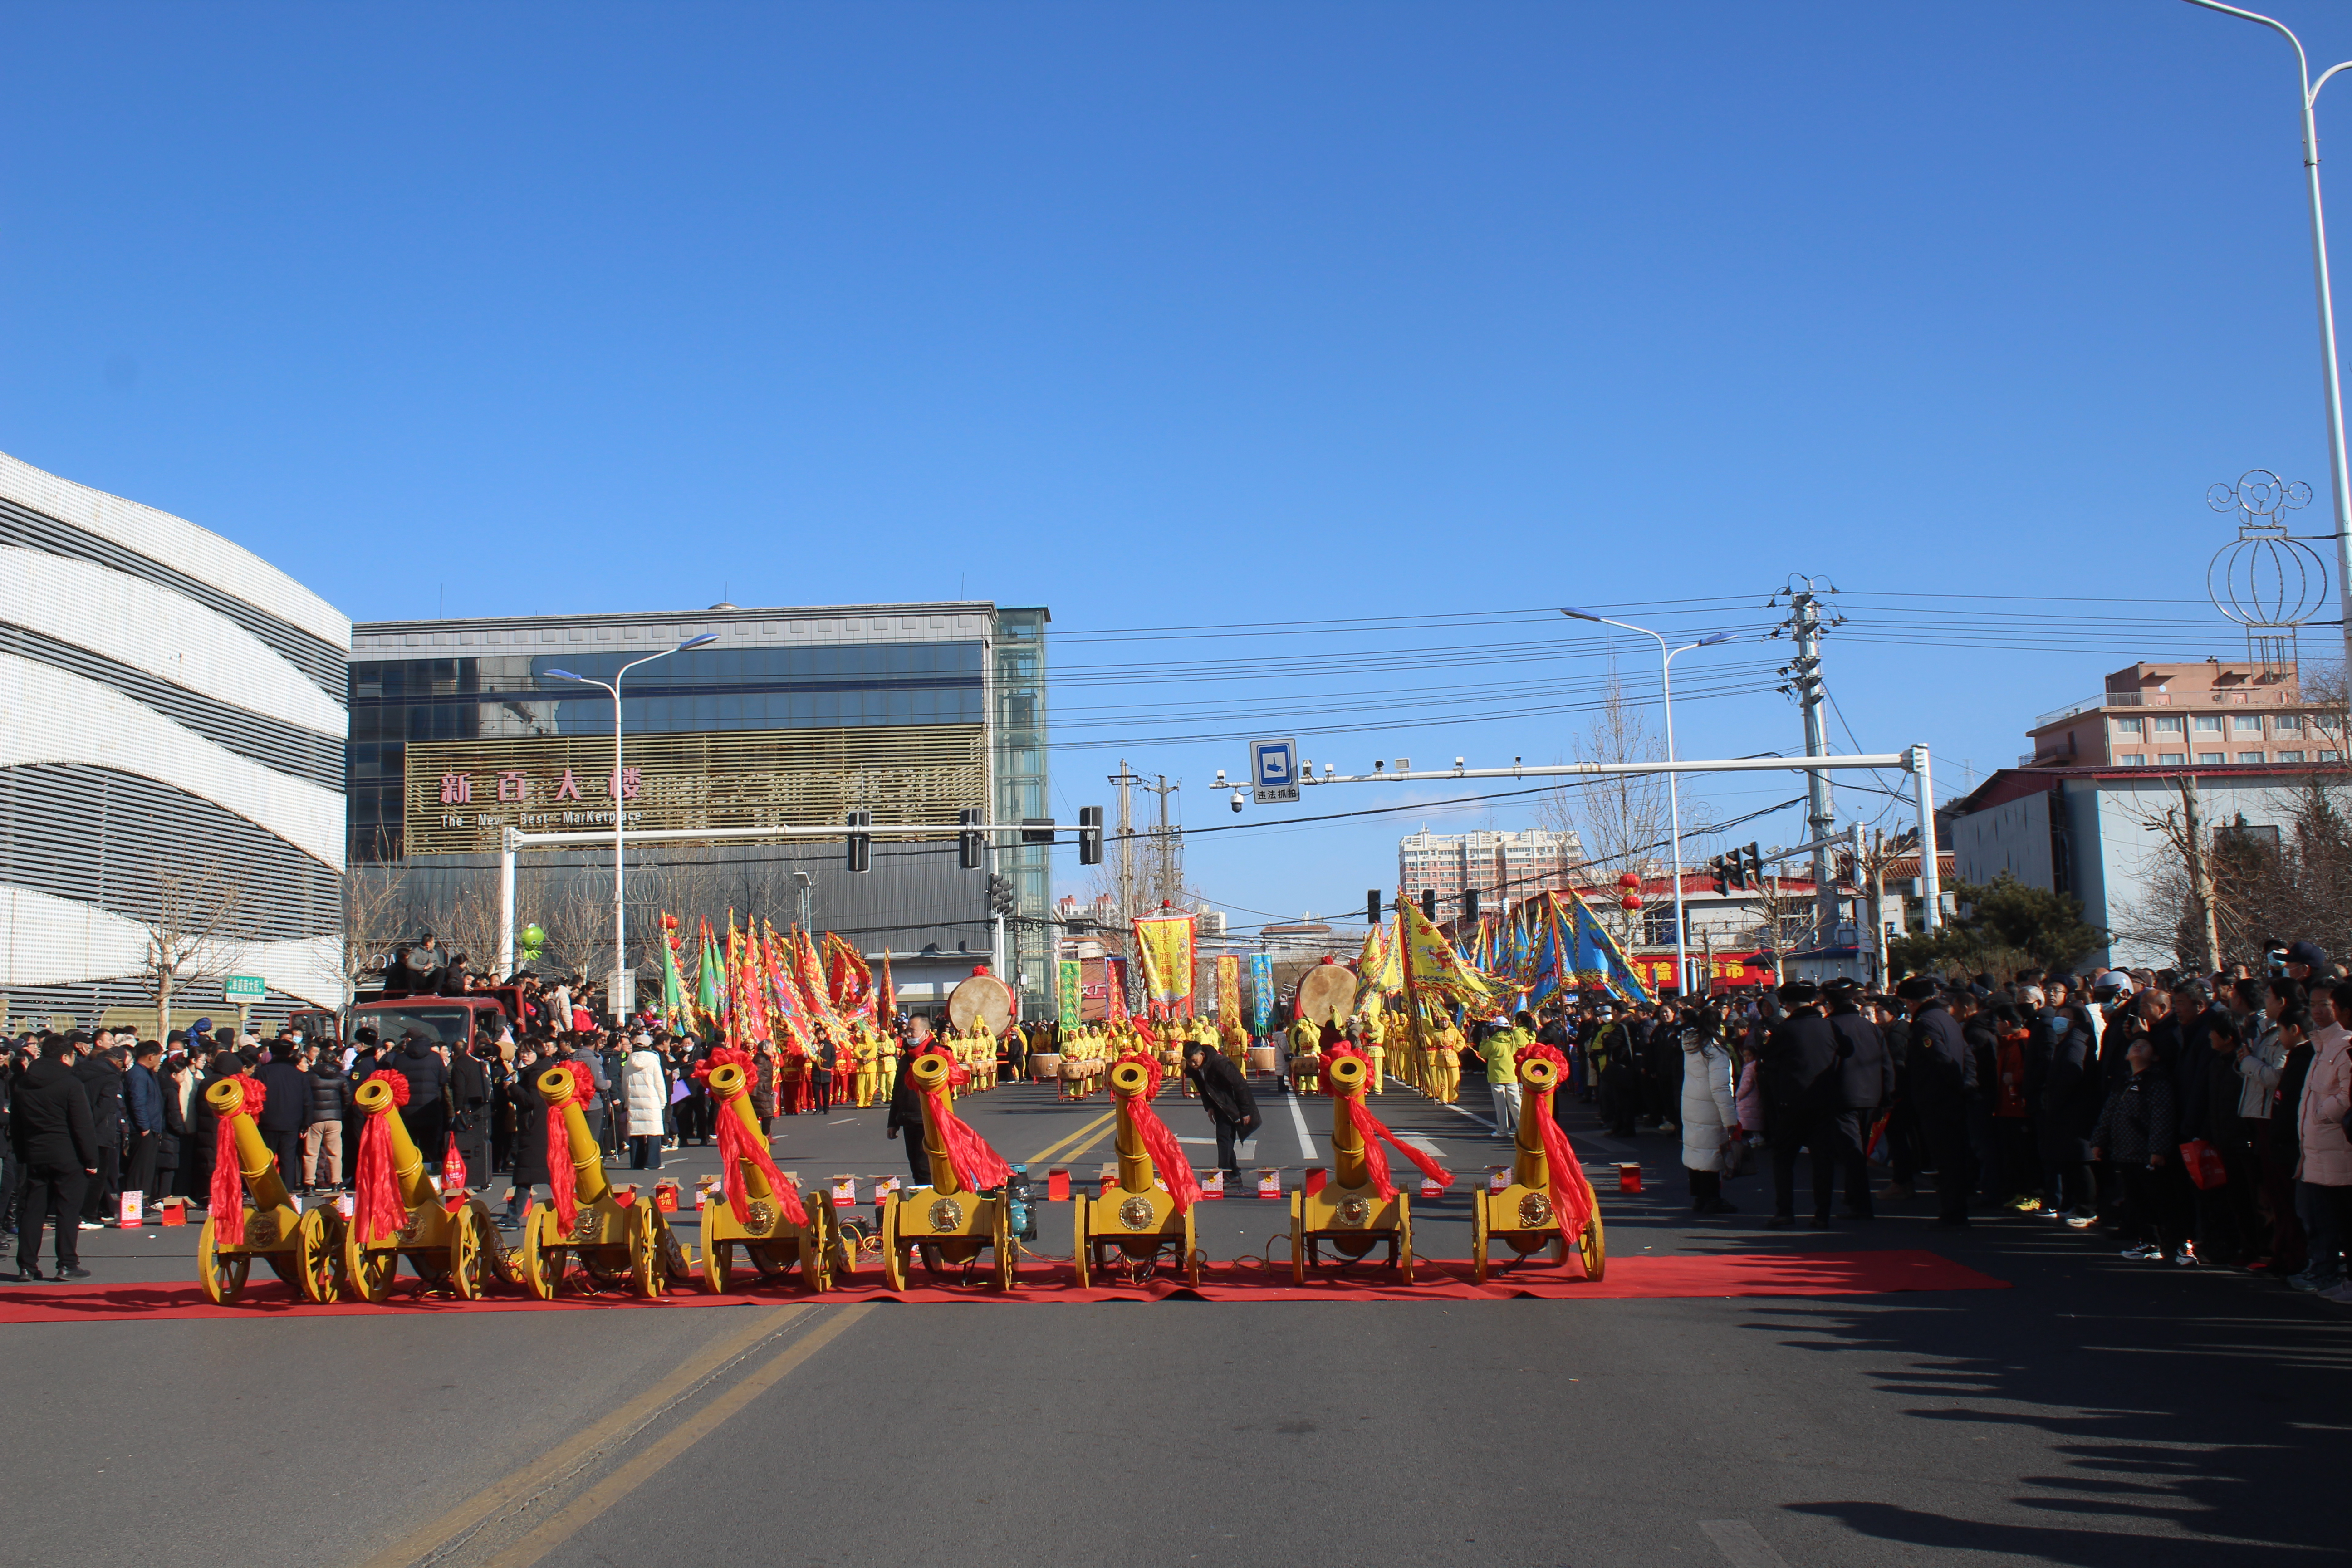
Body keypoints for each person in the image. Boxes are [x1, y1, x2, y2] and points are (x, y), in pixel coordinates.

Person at [8, 1035, 98, 1280]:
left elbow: (16, 1124)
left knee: (33, 1210)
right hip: (68, 1154)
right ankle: (67, 1263)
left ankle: (26, 1265)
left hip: (36, 1153)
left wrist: (23, 1154)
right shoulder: (70, 1084)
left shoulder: (23, 1084)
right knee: (67, 1210)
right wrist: (91, 1160)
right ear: (65, 1057)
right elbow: (82, 1126)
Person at [1900, 976, 1978, 1226]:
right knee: (1955, 1156)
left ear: (1911, 1002)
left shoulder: (1926, 1023)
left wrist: (1956, 1086)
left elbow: (1941, 1059)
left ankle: (1953, 1212)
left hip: (1938, 1099)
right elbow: (1967, 1055)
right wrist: (1968, 1083)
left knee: (1947, 1159)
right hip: (1952, 1097)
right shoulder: (1948, 1019)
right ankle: (1956, 1208)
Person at [1759, 981, 1837, 1228]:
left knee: (1783, 1158)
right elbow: (1846, 1051)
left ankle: (1785, 1211)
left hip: (1792, 1103)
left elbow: (1767, 1058)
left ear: (1788, 1005)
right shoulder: (1829, 1027)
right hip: (1825, 1102)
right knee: (1823, 1160)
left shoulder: (1785, 1030)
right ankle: (1822, 1213)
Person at [2094, 1036, 2180, 1261]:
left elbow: (2162, 1117)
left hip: (2146, 1152)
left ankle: (2169, 1244)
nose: (2138, 1046)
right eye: (2135, 1044)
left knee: (2158, 1200)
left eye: (2146, 1044)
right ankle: (2147, 1241)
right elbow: (2108, 1114)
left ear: (2155, 1056)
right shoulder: (2123, 1081)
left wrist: (2158, 1150)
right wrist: (2099, 1142)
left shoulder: (2157, 1081)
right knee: (2136, 1200)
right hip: (2124, 1151)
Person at [1820, 977, 1894, 1221]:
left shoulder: (1828, 1027)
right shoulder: (1870, 1027)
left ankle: (1861, 1205)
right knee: (1857, 1148)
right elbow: (1886, 1064)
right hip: (1871, 1095)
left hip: (1842, 1097)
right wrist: (1887, 1096)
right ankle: (1854, 1196)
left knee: (1852, 1153)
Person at [1679, 1007, 1738, 1214]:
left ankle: (1699, 1198)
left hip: (1691, 1104)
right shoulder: (1715, 1050)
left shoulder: (1691, 1044)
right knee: (1711, 1154)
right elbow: (1721, 1088)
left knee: (1696, 1152)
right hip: (1709, 1107)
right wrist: (1731, 1119)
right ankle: (1713, 1199)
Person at [1183, 1039, 1262, 1178]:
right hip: (1219, 1104)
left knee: (1224, 1137)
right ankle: (1233, 1174)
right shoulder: (1192, 1069)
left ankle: (1225, 1171)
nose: (1193, 1065)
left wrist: (1245, 1111)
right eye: (1189, 1062)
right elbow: (1202, 1088)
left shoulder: (1220, 1063)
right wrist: (1209, 1107)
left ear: (1202, 1054)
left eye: (1195, 1061)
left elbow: (1240, 1085)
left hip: (1233, 1103)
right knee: (1225, 1138)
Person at [886, 1018, 938, 1187]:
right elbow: (897, 1091)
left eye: (913, 1031)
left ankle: (930, 1206)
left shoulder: (937, 1055)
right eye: (907, 1030)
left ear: (926, 1033)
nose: (908, 1034)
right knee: (916, 1168)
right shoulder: (905, 1058)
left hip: (929, 1121)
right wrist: (893, 1122)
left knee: (927, 1169)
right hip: (909, 1120)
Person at [255, 1043, 309, 1189]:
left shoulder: (263, 1072)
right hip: (292, 1123)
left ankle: (267, 1189)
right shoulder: (299, 1075)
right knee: (288, 1159)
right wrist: (305, 1124)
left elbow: (256, 1097)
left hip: (267, 1122)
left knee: (267, 1158)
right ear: (290, 1054)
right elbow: (307, 1101)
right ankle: (288, 1191)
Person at [122, 1042, 164, 1211]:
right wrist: (145, 1128)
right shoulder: (138, 1075)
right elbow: (137, 1103)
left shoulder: (147, 1074)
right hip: (142, 1131)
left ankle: (142, 1203)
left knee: (147, 1170)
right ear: (151, 1056)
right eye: (160, 1057)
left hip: (152, 1128)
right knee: (138, 1171)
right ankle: (132, 1208)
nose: (161, 1061)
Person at [302, 1048, 349, 1191]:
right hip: (334, 1118)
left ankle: (309, 1184)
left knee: (311, 1153)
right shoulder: (340, 1077)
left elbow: (304, 1098)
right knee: (335, 1153)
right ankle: (336, 1182)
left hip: (315, 1118)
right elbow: (348, 1097)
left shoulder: (309, 1076)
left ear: (320, 1059)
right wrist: (341, 1112)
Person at [620, 1034, 667, 1170]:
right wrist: (663, 1102)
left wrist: (627, 1099)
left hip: (634, 1099)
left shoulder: (630, 1060)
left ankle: (636, 1162)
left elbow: (625, 1082)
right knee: (653, 1131)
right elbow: (659, 1083)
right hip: (651, 1100)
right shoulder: (653, 1060)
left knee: (636, 1130)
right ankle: (652, 1163)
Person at [1486, 1011, 1534, 1139]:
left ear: (1496, 1028)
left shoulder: (1492, 1042)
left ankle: (1502, 1130)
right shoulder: (1514, 1039)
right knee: (1516, 1104)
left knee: (1501, 1106)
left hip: (1497, 1077)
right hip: (1512, 1075)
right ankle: (1523, 1129)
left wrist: (1484, 1041)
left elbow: (1483, 1053)